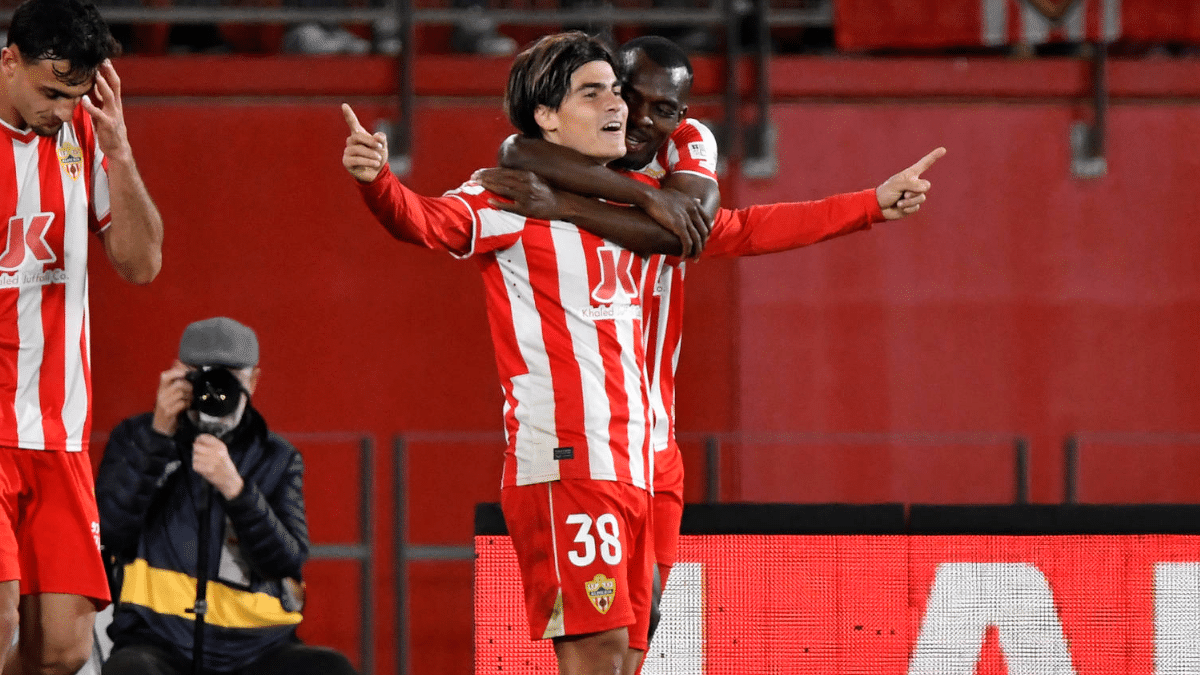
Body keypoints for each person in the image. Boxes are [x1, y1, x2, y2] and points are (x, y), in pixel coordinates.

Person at [474, 34, 944, 621]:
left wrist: (870, 203)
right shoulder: (546, 153)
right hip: (588, 436)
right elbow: (516, 153)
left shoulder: (686, 144)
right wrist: (639, 200)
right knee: (598, 631)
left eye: (663, 109)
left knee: (643, 623)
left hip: (655, 439)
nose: (640, 119)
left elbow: (693, 231)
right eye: (627, 97)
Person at [341, 32, 699, 675]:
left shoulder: (626, 196)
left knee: (631, 656)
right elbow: (424, 222)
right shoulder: (506, 197)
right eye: (592, 93)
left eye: (615, 90)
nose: (616, 104)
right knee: (600, 656)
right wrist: (378, 182)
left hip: (641, 462)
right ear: (547, 116)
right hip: (568, 457)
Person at [0, 0, 164, 672]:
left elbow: (142, 262)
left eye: (75, 95)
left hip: (58, 430)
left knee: (63, 650)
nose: (63, 110)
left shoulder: (85, 134)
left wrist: (120, 149)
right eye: (50, 92)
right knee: (1, 617)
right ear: (9, 60)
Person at [95, 317, 358, 675]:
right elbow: (109, 531)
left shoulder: (276, 458)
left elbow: (287, 561)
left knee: (330, 669)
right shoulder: (137, 438)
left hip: (257, 649)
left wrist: (236, 488)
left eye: (230, 379)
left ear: (253, 381)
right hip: (158, 642)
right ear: (178, 373)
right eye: (203, 376)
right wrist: (158, 438)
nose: (214, 391)